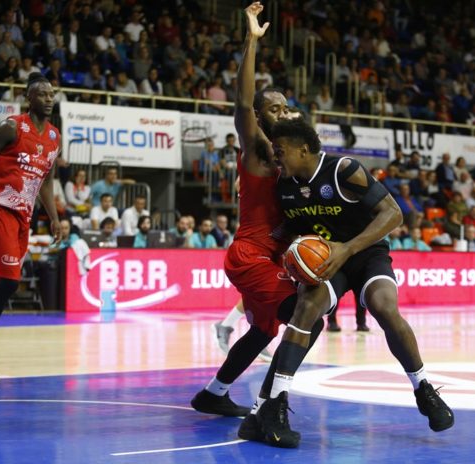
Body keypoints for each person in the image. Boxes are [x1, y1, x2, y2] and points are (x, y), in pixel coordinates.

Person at [249, 116, 454, 448]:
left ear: (303, 149)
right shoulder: (285, 187)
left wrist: (348, 248)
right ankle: (275, 403)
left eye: (281, 150)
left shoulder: (343, 170)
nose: (276, 157)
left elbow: (393, 214)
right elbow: (290, 230)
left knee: (383, 307)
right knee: (306, 308)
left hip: (366, 253)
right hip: (329, 260)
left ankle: (423, 389)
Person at [190, 2, 324, 429]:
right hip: (251, 255)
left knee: (265, 331)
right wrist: (252, 40)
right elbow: (244, 103)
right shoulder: (258, 153)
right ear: (261, 118)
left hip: (272, 257)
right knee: (309, 319)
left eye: (285, 108)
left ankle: (213, 394)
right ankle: (269, 401)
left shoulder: (289, 160)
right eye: (273, 109)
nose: (282, 114)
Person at [0, 73, 62, 384]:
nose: (48, 98)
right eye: (42, 94)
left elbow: (45, 182)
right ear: (28, 98)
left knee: (0, 284)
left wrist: (54, 217)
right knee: (9, 281)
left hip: (23, 218)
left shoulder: (54, 137)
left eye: (51, 94)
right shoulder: (12, 127)